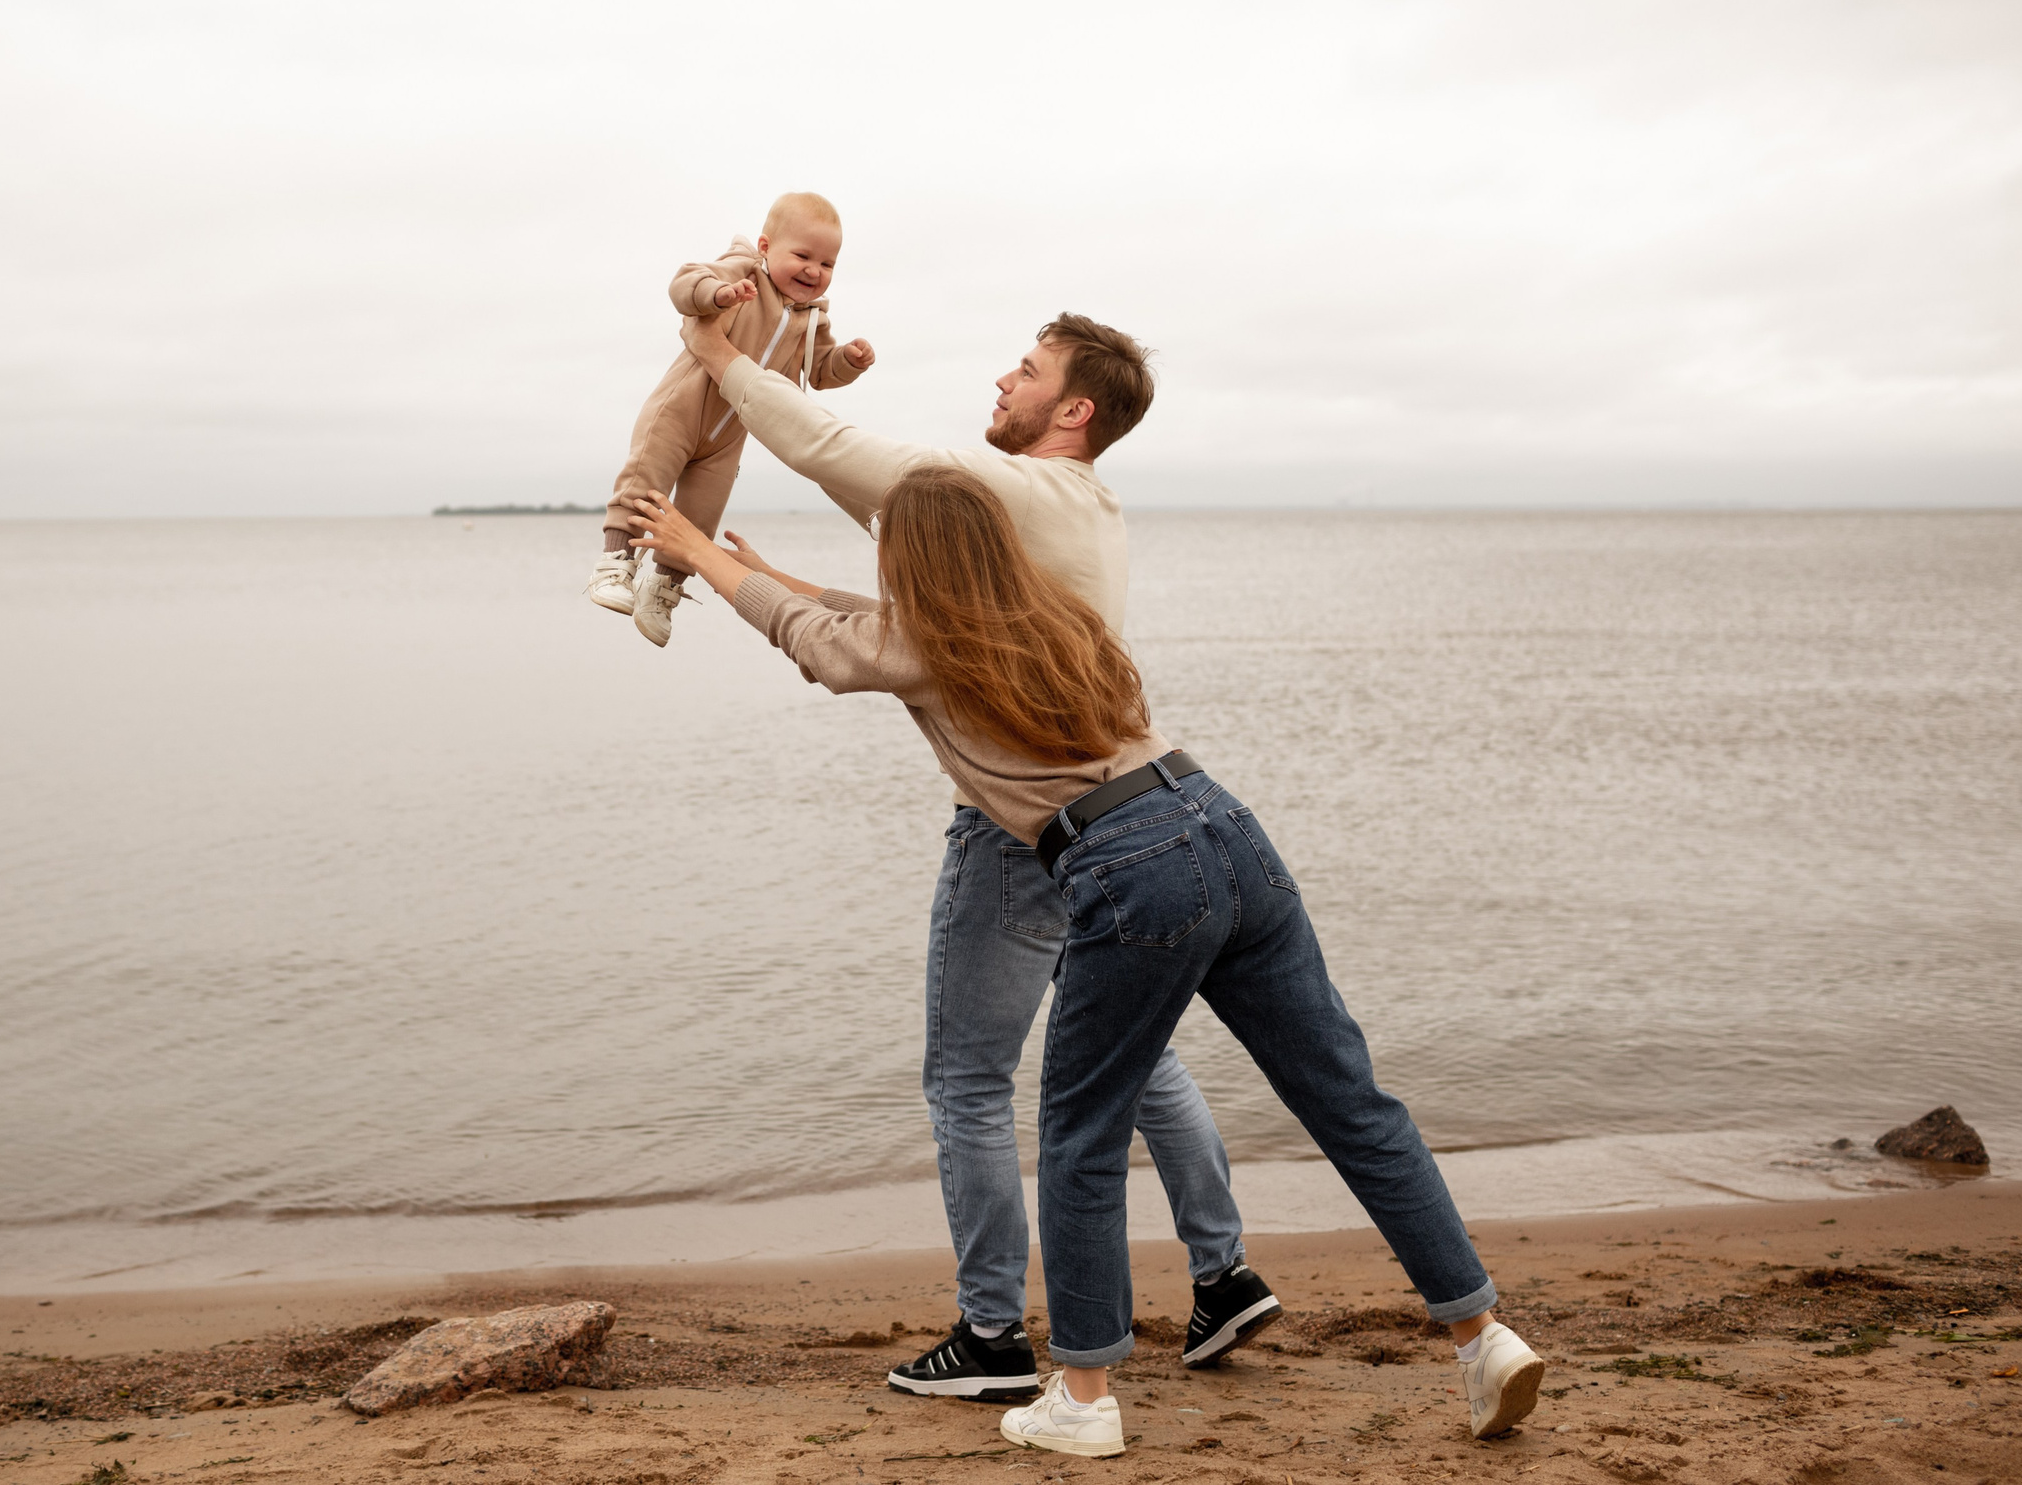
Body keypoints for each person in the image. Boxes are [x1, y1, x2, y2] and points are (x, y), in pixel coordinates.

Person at [623, 464, 1549, 1458]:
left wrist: (703, 558)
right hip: (1227, 829)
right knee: (1350, 1101)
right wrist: (761, 572)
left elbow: (838, 654)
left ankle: (1083, 1394)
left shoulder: (927, 645)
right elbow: (881, 631)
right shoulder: (1054, 618)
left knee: (1078, 1134)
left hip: (1129, 866)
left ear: (915, 560)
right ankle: (1479, 1333)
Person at [636, 307, 1282, 1403]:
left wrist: (717, 362)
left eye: (1025, 370)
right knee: (1134, 1055)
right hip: (1115, 814)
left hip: (1017, 827)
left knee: (968, 1080)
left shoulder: (1021, 489)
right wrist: (778, 574)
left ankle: (991, 1332)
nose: (1002, 378)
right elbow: (917, 612)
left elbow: (848, 530)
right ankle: (1222, 1274)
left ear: (1072, 409)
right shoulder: (1077, 510)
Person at [584, 192, 876, 647]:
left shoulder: (812, 319)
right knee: (644, 483)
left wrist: (847, 362)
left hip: (729, 438)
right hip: (681, 409)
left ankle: (663, 592)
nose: (814, 271)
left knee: (701, 518)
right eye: (802, 256)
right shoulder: (741, 271)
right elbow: (685, 284)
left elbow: (818, 372)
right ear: (765, 247)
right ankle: (616, 564)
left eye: (828, 264)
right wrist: (717, 295)